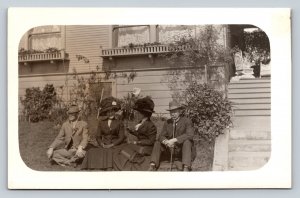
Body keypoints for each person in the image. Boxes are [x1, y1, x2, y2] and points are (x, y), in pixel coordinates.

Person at [113, 96, 157, 171]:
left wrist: (137, 142)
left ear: (144, 114)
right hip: (140, 146)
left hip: (147, 148)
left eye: (138, 113)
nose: (137, 114)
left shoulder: (151, 126)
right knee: (123, 147)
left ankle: (139, 160)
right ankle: (134, 158)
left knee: (124, 148)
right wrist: (131, 131)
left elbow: (151, 141)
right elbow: (140, 134)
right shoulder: (141, 123)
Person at [148, 100, 194, 171]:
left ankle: (186, 167)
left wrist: (174, 140)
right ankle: (152, 165)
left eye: (175, 111)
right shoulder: (167, 122)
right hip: (170, 150)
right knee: (157, 142)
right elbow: (160, 136)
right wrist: (166, 141)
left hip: (182, 151)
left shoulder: (187, 121)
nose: (173, 114)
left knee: (187, 142)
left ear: (180, 111)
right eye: (171, 112)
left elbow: (190, 135)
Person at [81, 97, 125, 170]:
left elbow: (121, 137)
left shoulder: (119, 123)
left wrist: (112, 144)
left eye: (112, 111)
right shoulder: (102, 122)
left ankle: (108, 167)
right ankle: (91, 166)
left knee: (110, 152)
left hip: (115, 145)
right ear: (106, 113)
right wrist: (102, 144)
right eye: (108, 111)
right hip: (104, 145)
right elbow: (98, 136)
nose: (110, 113)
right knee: (91, 151)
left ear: (114, 111)